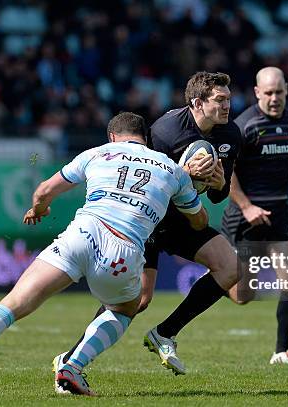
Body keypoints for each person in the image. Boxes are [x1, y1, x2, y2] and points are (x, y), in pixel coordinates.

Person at [0, 112, 208, 395]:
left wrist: (39, 209)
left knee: (14, 303)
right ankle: (73, 367)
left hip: (83, 233)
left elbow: (43, 191)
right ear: (144, 137)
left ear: (112, 136)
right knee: (125, 309)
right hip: (124, 249)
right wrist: (200, 184)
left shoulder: (97, 153)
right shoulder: (171, 169)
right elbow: (199, 221)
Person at [56, 71, 244, 377]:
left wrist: (220, 183)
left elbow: (218, 196)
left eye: (228, 99)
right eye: (220, 100)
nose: (227, 106)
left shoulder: (230, 135)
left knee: (231, 267)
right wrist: (181, 172)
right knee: (139, 299)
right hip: (148, 220)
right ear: (198, 102)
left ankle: (165, 333)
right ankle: (71, 358)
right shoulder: (166, 131)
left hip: (184, 217)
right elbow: (142, 181)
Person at [221, 67, 288, 364]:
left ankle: (281, 352)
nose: (275, 98)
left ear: (287, 90)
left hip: (278, 212)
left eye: (280, 92)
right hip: (244, 215)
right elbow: (227, 173)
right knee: (243, 296)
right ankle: (216, 275)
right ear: (257, 92)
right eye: (269, 92)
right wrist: (247, 207)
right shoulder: (244, 126)